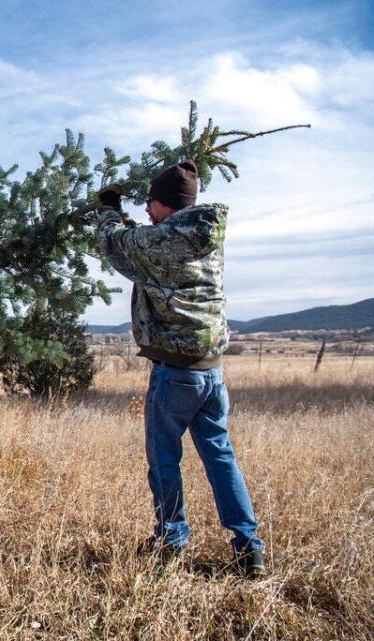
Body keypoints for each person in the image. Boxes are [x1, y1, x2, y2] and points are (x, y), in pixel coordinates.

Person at [96, 160, 264, 577]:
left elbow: (115, 244)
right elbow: (148, 240)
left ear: (167, 204)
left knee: (164, 459)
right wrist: (136, 219)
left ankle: (170, 540)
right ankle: (249, 546)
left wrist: (108, 208)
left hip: (175, 374)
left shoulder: (162, 241)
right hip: (212, 373)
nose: (148, 210)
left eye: (151, 203)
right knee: (221, 458)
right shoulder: (206, 235)